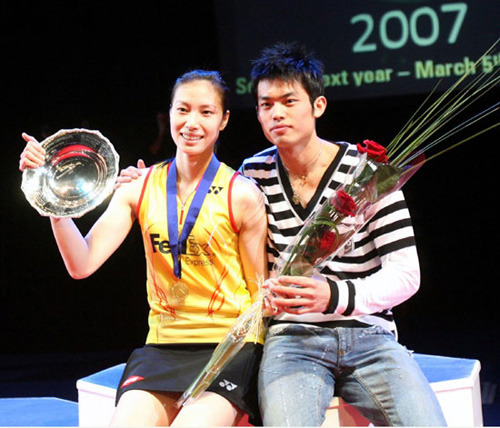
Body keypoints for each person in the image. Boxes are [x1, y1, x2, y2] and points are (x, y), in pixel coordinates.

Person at [19, 70, 268, 427]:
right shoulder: (138, 187)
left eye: (206, 112)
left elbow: (259, 295)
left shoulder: (242, 194)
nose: (191, 123)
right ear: (168, 114)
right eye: (182, 110)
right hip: (163, 347)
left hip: (229, 348)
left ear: (224, 120)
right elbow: (82, 263)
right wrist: (51, 200)